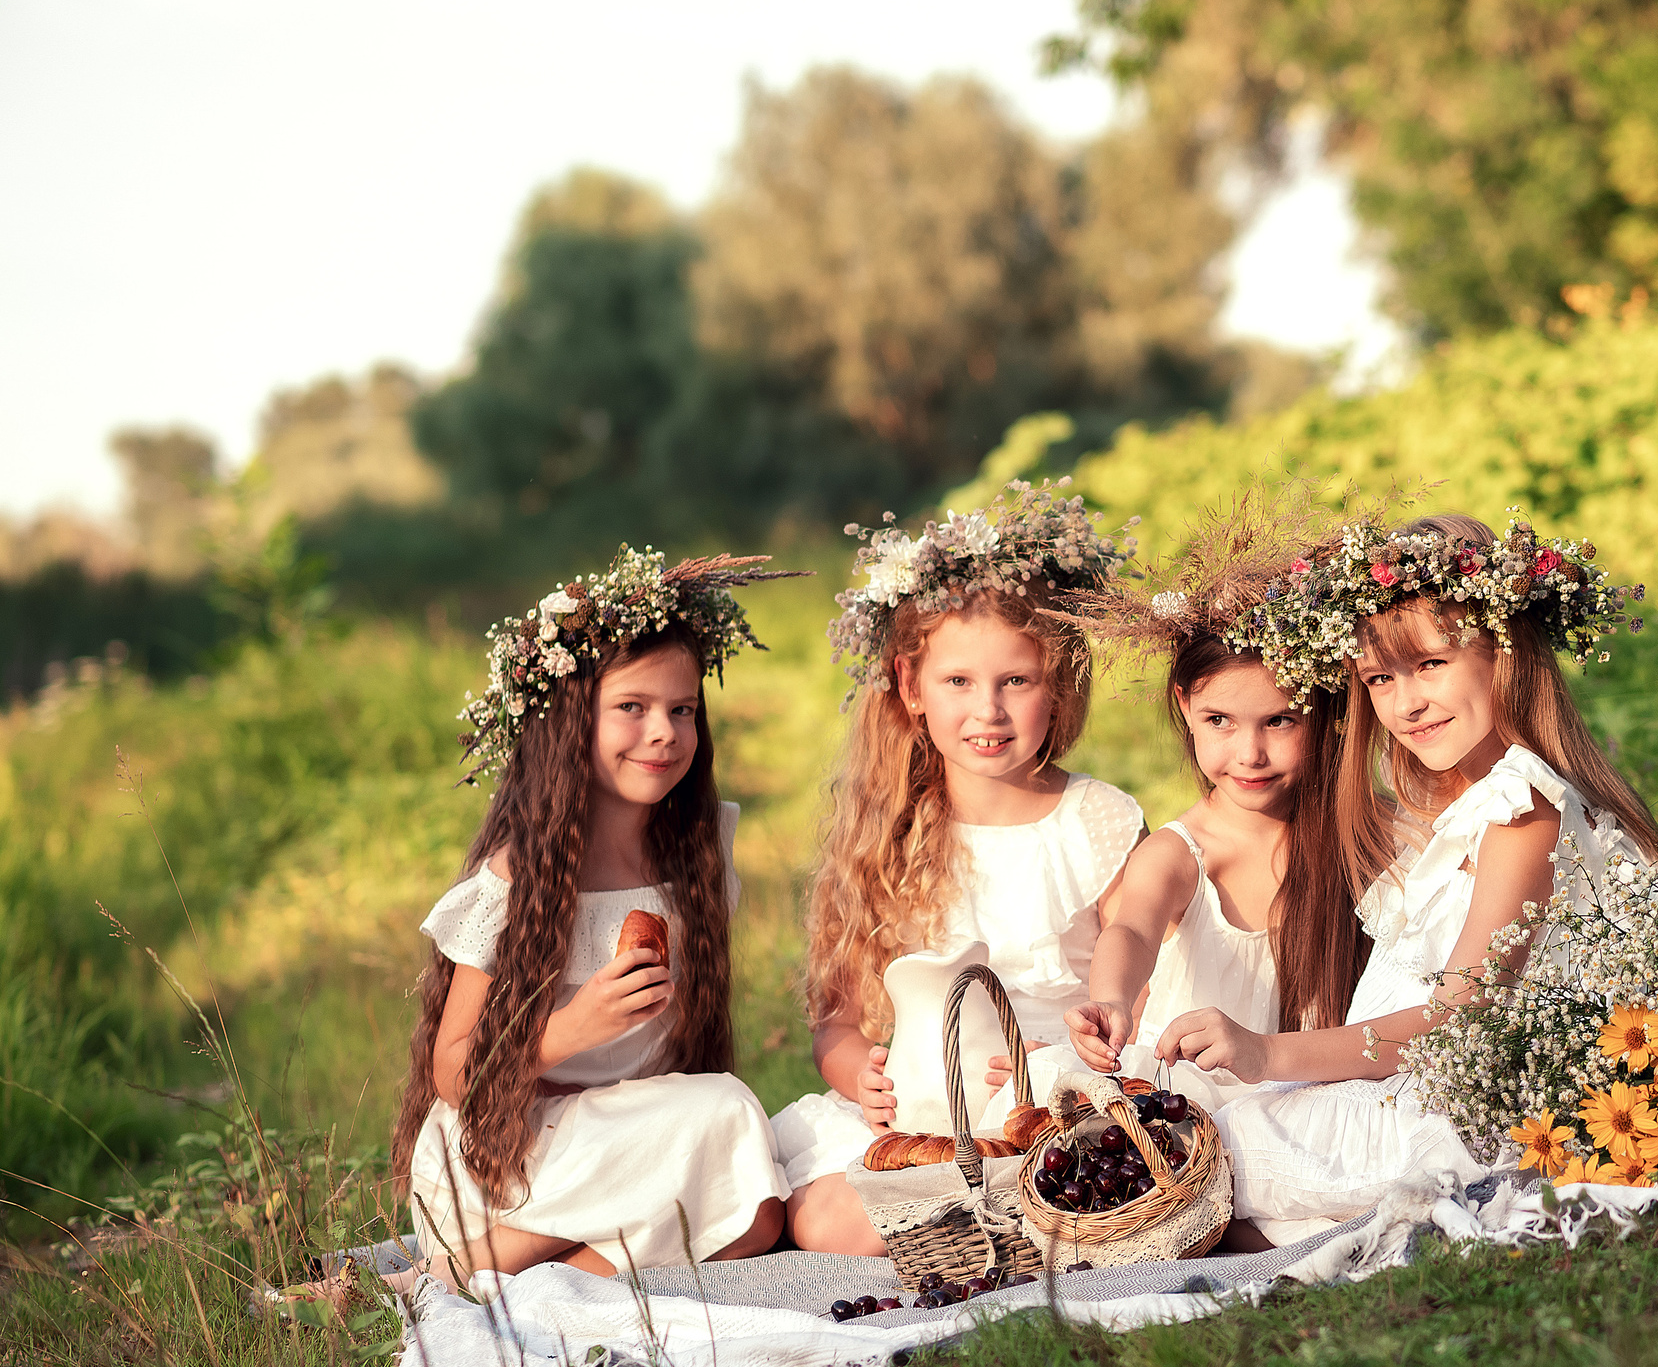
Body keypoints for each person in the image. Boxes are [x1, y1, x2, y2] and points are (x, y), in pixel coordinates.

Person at [1195, 514, 1658, 1233]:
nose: (1407, 703)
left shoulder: (1523, 807)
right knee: (1194, 1111)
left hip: (1475, 1108)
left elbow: (1460, 1020)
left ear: (1505, 655)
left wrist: (1267, 1052)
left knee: (1223, 1147)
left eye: (1432, 665)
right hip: (1421, 1081)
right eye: (1380, 678)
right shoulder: (1460, 805)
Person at [392, 549, 799, 1286]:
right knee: (729, 1116)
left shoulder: (701, 852)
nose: (665, 733)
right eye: (633, 708)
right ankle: (465, 1267)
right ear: (571, 718)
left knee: (758, 1217)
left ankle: (550, 1283)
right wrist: (567, 1032)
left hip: (639, 1134)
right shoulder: (522, 877)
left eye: (682, 710)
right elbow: (452, 1067)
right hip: (512, 1156)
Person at [772, 483, 1145, 1255]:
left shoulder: (1095, 820)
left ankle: (1008, 1212)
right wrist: (860, 1083)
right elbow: (838, 1025)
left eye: (1017, 680)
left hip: (1054, 1088)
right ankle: (983, 1218)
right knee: (822, 1220)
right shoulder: (886, 832)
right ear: (912, 687)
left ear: (1057, 684)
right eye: (958, 683)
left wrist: (1083, 1051)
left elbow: (1139, 973)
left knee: (1082, 1161)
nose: (989, 711)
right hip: (927, 1107)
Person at [1058, 521, 1365, 1114]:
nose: (1249, 754)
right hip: (1193, 1109)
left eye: (1280, 721)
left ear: (1328, 712)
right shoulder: (1180, 853)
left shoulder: (1364, 836)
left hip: (1322, 1098)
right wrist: (1112, 999)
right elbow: (1132, 929)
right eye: (1220, 720)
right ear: (1185, 705)